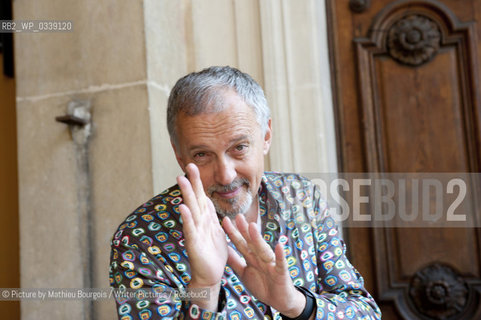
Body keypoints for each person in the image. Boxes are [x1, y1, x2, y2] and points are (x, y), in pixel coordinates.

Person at [109, 66, 381, 320]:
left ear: (265, 137)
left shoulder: (301, 197)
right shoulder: (139, 239)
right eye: (202, 155)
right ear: (180, 156)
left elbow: (364, 311)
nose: (225, 175)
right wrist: (205, 289)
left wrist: (296, 304)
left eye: (239, 148)